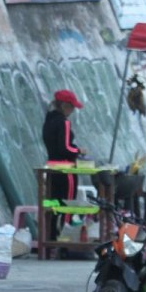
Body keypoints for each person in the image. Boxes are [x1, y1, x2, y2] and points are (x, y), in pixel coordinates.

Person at [42, 89, 85, 246]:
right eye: (72, 107)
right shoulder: (64, 122)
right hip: (66, 169)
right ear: (65, 106)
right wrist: (79, 150)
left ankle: (51, 236)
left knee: (53, 203)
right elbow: (65, 147)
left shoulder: (48, 120)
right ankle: (64, 237)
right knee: (68, 202)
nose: (73, 111)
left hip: (51, 166)